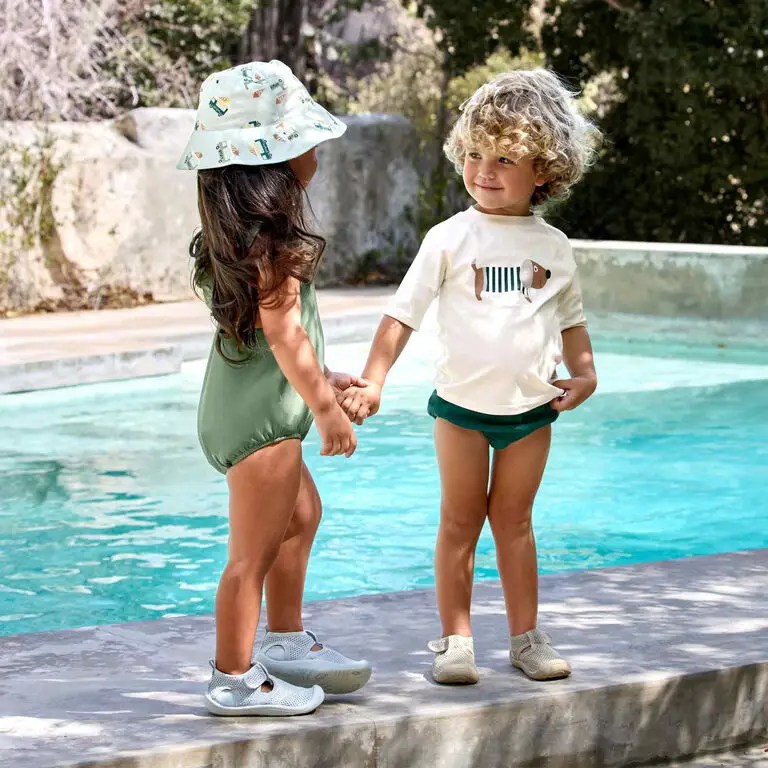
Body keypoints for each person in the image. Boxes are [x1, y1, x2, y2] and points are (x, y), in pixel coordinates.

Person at [339, 69, 600, 684]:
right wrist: (374, 380)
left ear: (544, 168)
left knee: (515, 524)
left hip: (531, 413)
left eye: (505, 158)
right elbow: (401, 315)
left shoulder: (554, 246)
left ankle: (526, 639)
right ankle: (456, 642)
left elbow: (571, 320)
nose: (485, 170)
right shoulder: (449, 237)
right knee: (460, 522)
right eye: (476, 154)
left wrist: (585, 375)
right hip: (460, 412)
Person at [177, 59, 372, 716]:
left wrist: (325, 378)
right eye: (306, 141)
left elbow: (271, 345)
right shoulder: (270, 247)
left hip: (246, 408)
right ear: (273, 160)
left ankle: (286, 641)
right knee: (251, 556)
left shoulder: (240, 240)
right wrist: (326, 410)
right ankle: (232, 678)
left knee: (300, 516)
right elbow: (286, 338)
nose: (317, 152)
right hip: (262, 424)